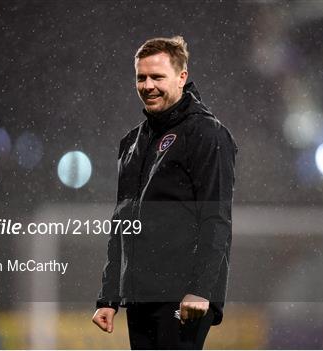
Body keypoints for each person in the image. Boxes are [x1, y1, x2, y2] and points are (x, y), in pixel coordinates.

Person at [92, 35, 237, 349]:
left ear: (182, 77)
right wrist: (109, 297)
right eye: (141, 77)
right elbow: (122, 223)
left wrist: (201, 290)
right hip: (141, 294)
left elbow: (216, 219)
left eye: (157, 76)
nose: (147, 85)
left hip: (183, 295)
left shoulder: (206, 133)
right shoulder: (132, 143)